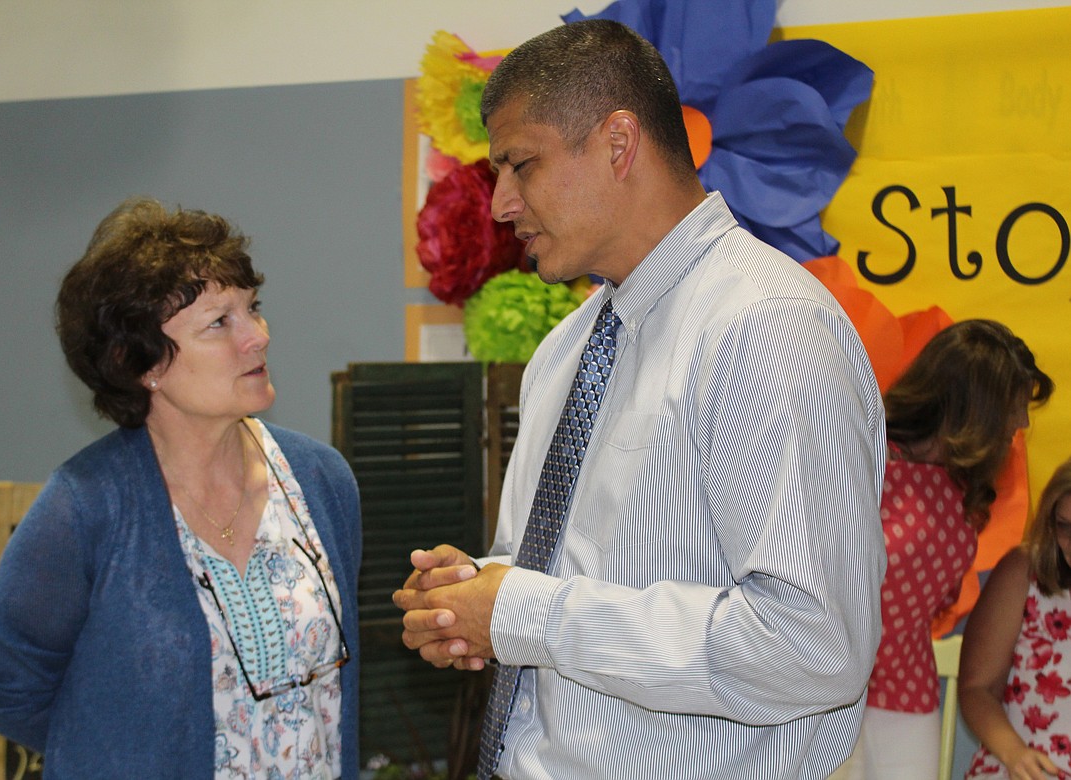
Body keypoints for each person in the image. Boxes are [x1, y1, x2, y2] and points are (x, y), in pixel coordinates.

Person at [392, 19, 887, 780]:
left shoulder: (763, 325)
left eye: (521, 164)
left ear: (620, 144)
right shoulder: (567, 348)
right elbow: (577, 567)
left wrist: (527, 614)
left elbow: (811, 647)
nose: (499, 204)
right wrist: (481, 592)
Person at [0, 198, 361, 779]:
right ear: (140, 364)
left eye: (253, 309)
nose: (257, 337)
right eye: (219, 323)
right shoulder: (83, 507)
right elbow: (6, 688)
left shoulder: (321, 479)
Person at [831, 319, 1053, 780]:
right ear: (978, 402)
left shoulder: (962, 483)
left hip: (906, 690)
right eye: (1015, 405)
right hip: (825, 688)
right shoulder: (863, 455)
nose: (1023, 422)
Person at [959, 458, 1071, 779]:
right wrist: (1014, 753)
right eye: (1064, 526)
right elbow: (976, 686)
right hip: (1020, 767)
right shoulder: (1025, 573)